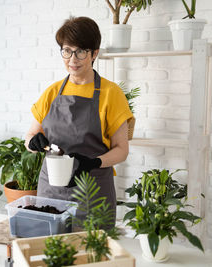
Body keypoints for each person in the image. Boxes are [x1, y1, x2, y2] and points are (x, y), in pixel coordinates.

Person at [24, 16, 132, 226]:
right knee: (52, 251)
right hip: (51, 190)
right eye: (67, 50)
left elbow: (122, 149)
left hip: (92, 191)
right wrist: (32, 142)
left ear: (94, 53)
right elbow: (29, 136)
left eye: (80, 51)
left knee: (92, 254)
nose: (72, 59)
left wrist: (95, 162)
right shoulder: (52, 92)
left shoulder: (111, 94)